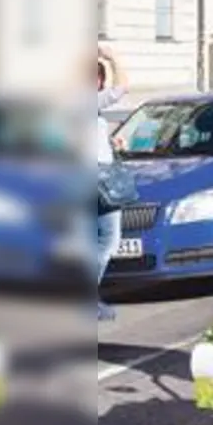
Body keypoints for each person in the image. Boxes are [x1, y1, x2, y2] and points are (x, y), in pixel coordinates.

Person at [95, 46, 128, 321]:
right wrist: (111, 57)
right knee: (108, 240)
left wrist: (110, 142)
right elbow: (122, 88)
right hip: (97, 181)